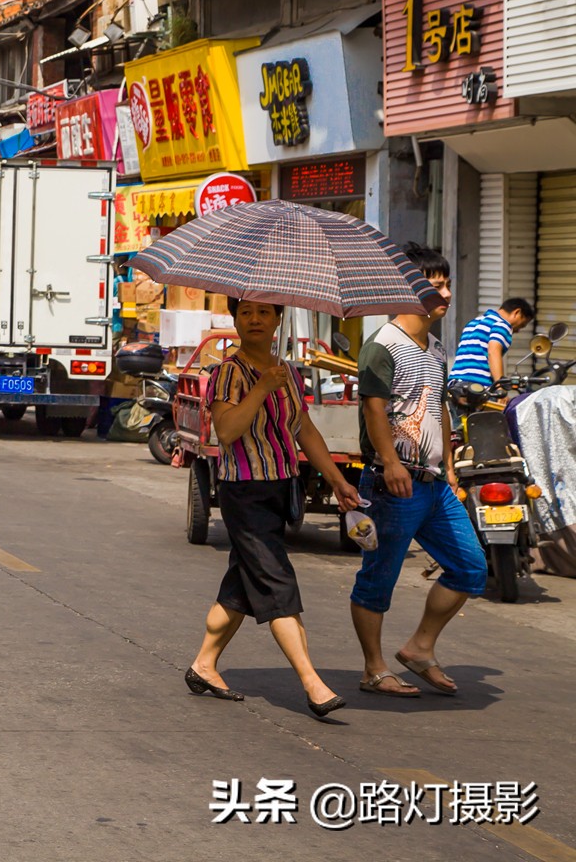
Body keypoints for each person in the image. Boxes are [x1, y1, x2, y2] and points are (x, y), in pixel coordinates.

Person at [185, 299, 361, 719]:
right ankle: (312, 684)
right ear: (235, 320)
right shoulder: (228, 372)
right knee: (278, 585)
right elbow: (226, 430)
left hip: (280, 489)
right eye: (246, 312)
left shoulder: (287, 372)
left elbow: (303, 429)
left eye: (265, 312)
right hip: (244, 492)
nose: (256, 320)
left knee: (241, 585)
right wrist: (262, 387)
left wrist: (337, 481)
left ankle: (204, 665)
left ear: (279, 319)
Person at [350, 243, 489, 698]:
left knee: (469, 568)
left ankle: (419, 648)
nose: (447, 293)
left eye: (448, 283)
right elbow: (374, 409)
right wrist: (390, 462)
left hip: (434, 485)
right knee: (379, 578)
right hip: (395, 483)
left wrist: (449, 464)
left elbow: (440, 409)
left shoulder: (436, 347)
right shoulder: (381, 346)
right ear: (407, 287)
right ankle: (374, 668)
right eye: (436, 284)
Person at [448, 296, 534, 408]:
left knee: (461, 424)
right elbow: (493, 352)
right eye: (522, 325)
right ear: (517, 312)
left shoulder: (473, 322)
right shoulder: (502, 324)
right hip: (478, 388)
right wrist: (500, 389)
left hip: (455, 386)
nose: (517, 330)